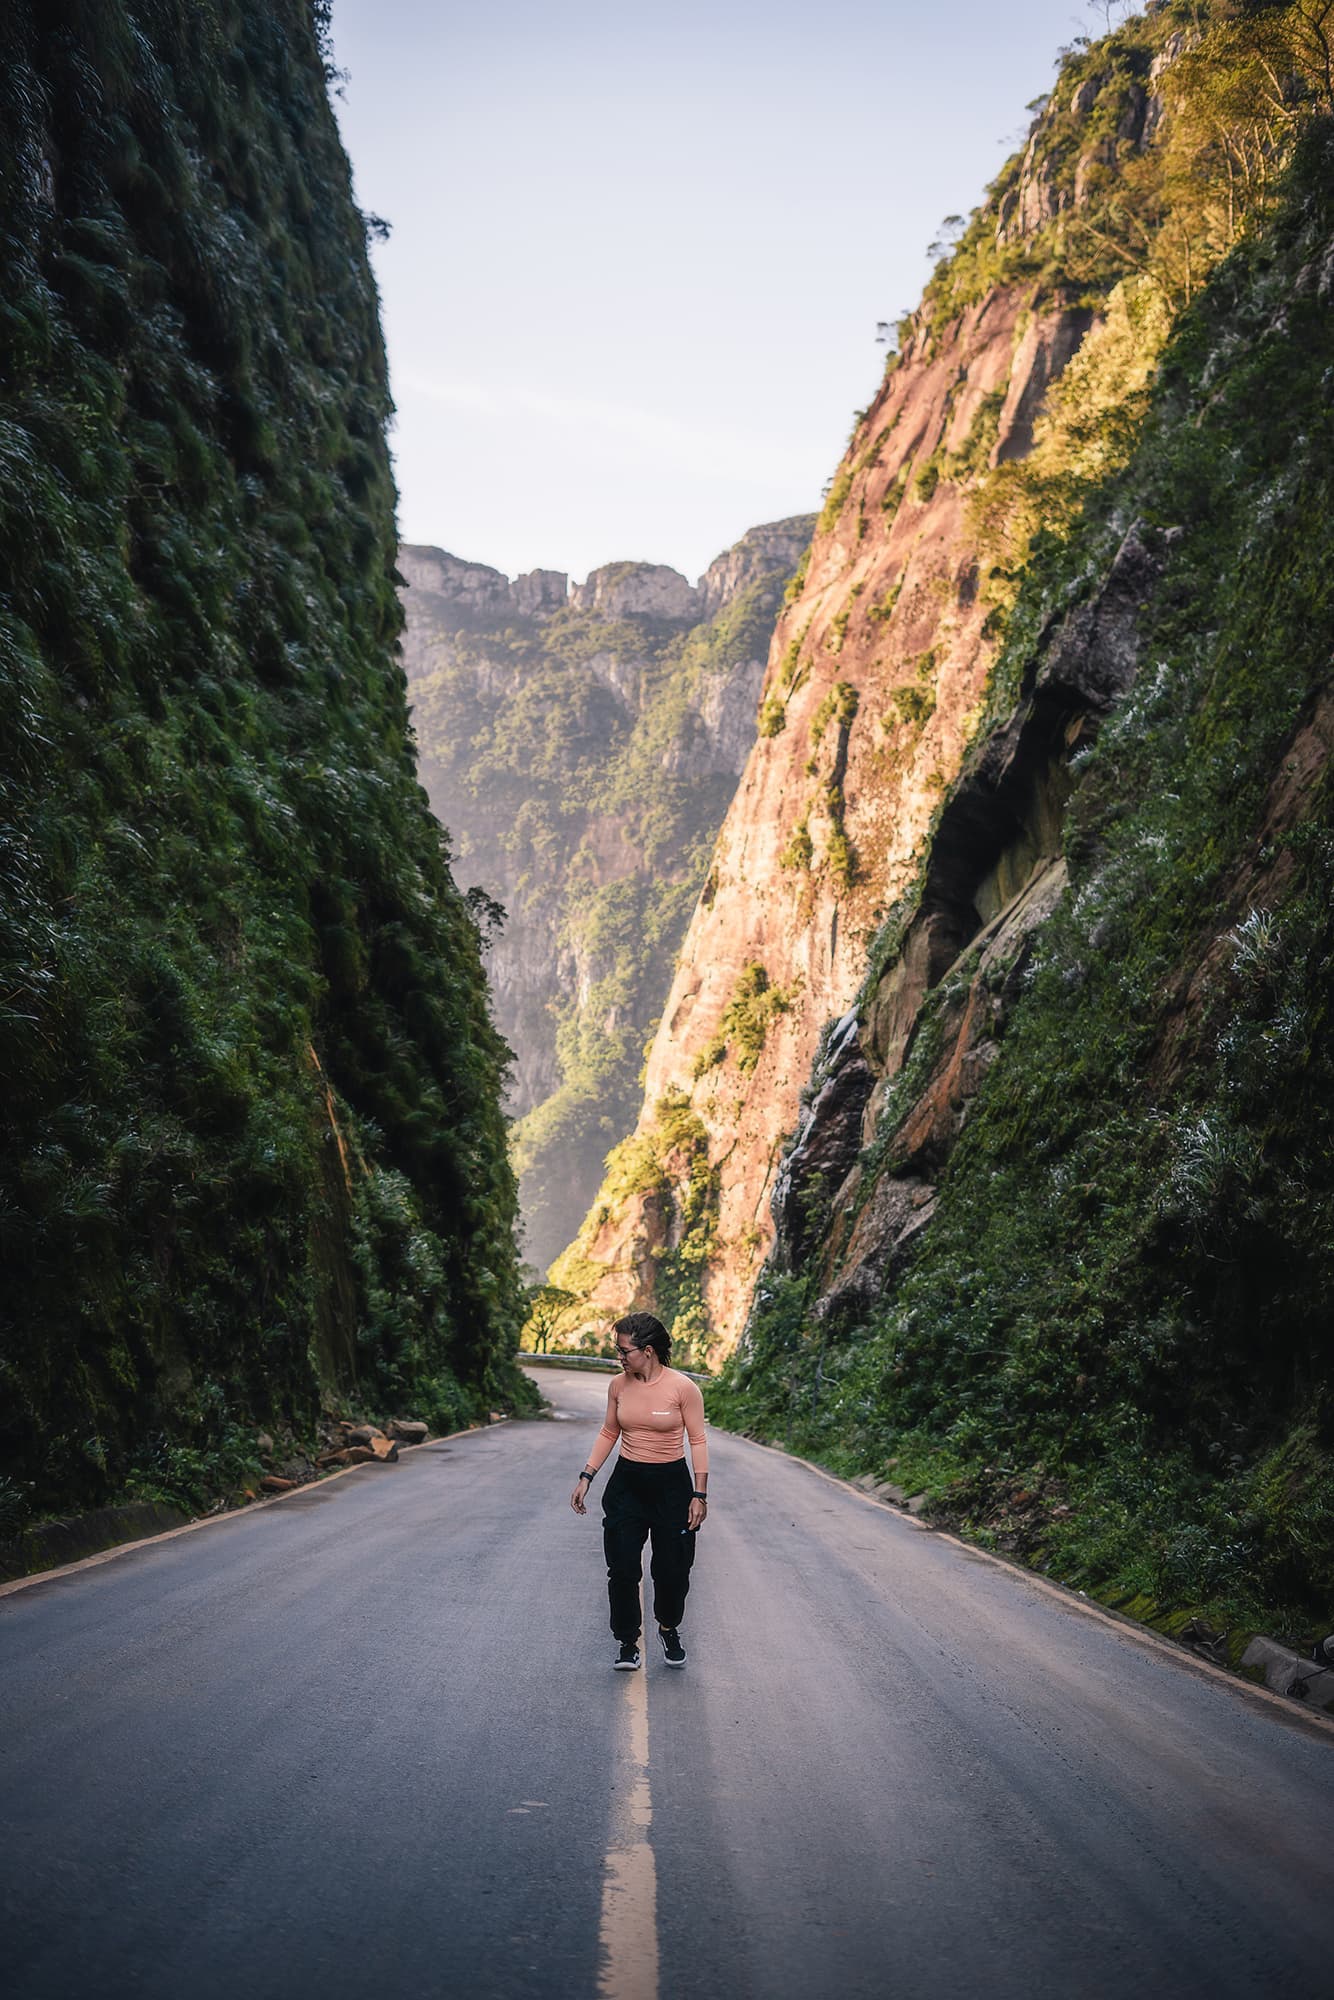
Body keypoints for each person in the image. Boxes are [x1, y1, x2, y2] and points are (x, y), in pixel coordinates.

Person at [569, 1312, 708, 1670]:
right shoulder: (618, 1385)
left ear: (647, 1351)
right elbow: (608, 1432)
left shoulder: (683, 1388)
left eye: (624, 1350)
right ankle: (627, 1640)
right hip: (627, 1485)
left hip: (672, 1487)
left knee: (673, 1568)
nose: (619, 1357)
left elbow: (698, 1440)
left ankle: (667, 1626)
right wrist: (587, 1475)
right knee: (623, 1567)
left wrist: (699, 1494)